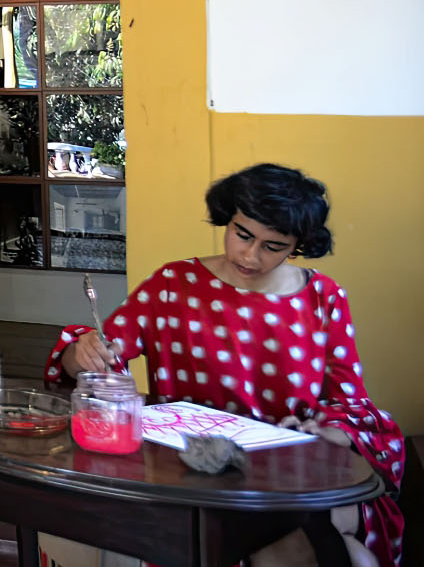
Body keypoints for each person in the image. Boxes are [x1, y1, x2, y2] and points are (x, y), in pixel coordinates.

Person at [51, 164, 404, 567]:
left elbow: (350, 405)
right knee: (338, 555)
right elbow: (93, 361)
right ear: (228, 218)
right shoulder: (173, 285)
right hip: (197, 475)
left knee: (335, 550)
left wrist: (324, 431)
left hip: (294, 472)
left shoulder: (324, 297)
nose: (250, 256)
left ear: (298, 244)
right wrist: (83, 354)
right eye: (243, 234)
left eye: (274, 246)